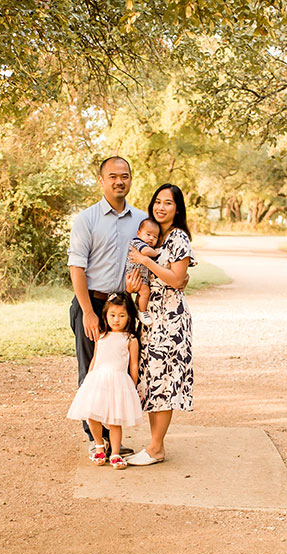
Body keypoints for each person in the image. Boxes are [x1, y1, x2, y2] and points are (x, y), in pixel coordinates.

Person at [68, 156, 147, 458]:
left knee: (121, 370)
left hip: (124, 306)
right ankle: (95, 440)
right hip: (92, 301)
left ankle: (115, 439)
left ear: (130, 179)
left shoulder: (141, 220)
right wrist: (88, 312)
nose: (119, 181)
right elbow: (77, 267)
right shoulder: (86, 219)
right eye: (112, 176)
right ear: (101, 181)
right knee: (93, 370)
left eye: (124, 176)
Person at [124, 184, 197, 466]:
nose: (161, 207)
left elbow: (178, 280)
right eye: (157, 201)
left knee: (164, 381)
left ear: (177, 209)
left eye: (168, 203)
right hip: (150, 318)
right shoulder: (155, 236)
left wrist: (145, 260)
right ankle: (156, 446)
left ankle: (155, 448)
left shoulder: (178, 238)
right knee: (153, 381)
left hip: (170, 319)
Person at [66, 293, 144, 470]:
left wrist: (132, 385)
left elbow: (133, 365)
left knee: (114, 421)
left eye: (122, 316)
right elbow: (94, 358)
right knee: (92, 415)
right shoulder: (101, 335)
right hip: (98, 380)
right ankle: (100, 445)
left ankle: (115, 452)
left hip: (118, 382)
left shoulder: (130, 339)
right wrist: (88, 379)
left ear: (129, 317)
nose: (116, 320)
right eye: (112, 315)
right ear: (106, 316)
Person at [124, 218, 160, 326]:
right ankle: (142, 312)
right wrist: (156, 252)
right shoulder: (137, 242)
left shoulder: (144, 243)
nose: (151, 238)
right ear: (139, 233)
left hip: (140, 276)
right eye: (148, 234)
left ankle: (137, 308)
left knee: (141, 295)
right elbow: (145, 251)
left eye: (155, 237)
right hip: (135, 275)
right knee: (145, 292)